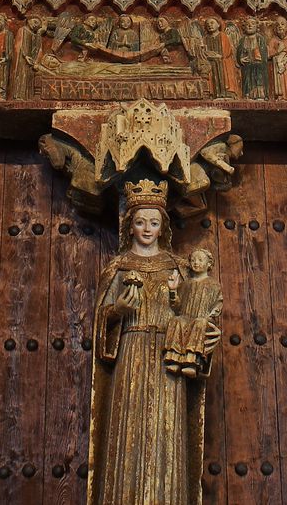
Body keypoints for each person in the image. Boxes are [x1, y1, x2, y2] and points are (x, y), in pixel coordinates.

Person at [88, 185, 218, 505]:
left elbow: (193, 310)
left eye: (154, 223)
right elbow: (102, 321)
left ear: (163, 228)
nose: (147, 229)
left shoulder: (177, 267)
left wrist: (205, 332)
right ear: (130, 225)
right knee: (128, 428)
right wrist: (118, 310)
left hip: (168, 357)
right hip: (130, 354)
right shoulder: (119, 267)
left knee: (166, 429)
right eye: (140, 222)